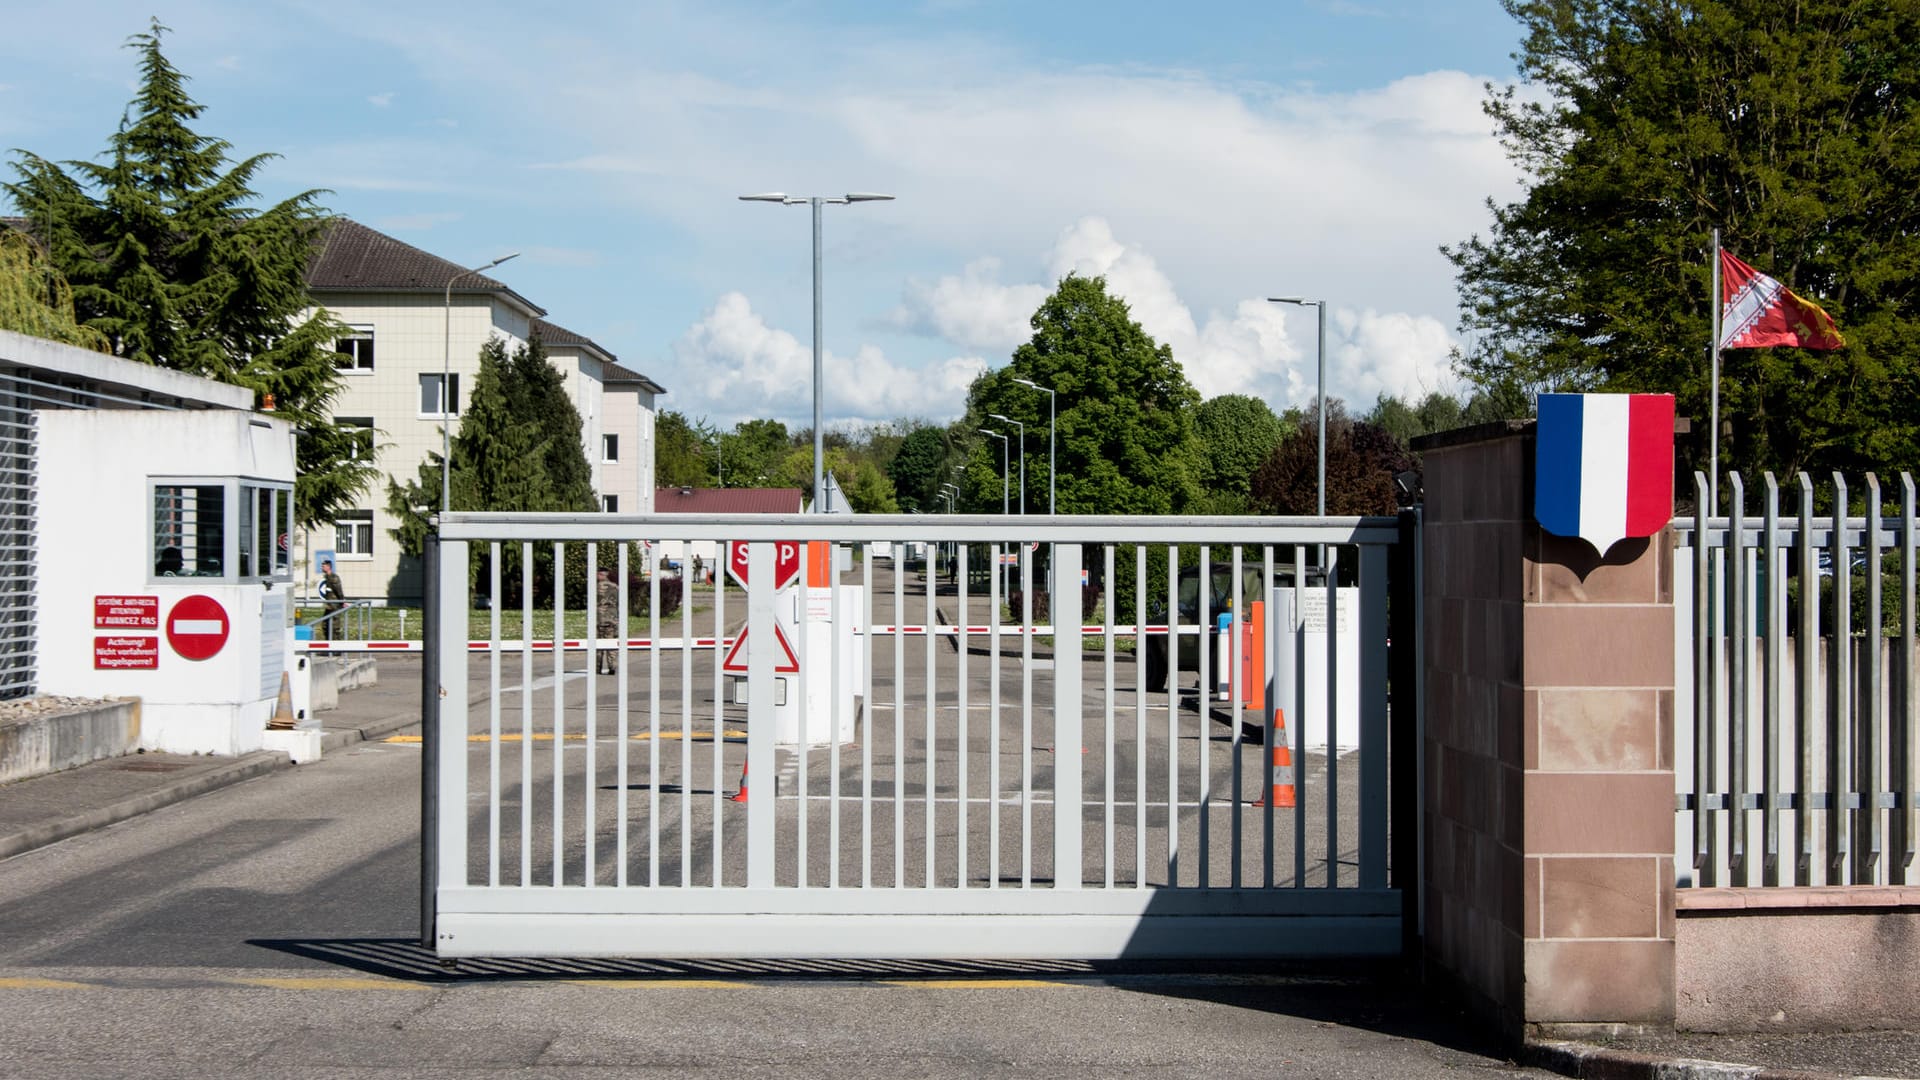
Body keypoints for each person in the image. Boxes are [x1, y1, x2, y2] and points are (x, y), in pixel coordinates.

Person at [595, 566, 620, 675]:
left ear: (601, 575)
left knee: (597, 644)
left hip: (599, 618)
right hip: (612, 618)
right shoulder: (615, 587)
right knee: (611, 643)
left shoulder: (596, 587)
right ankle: (612, 666)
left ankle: (597, 667)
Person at [317, 559, 346, 641]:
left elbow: (339, 591)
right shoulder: (327, 578)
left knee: (334, 627)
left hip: (334, 606)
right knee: (325, 625)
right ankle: (328, 647)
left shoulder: (334, 578)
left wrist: (342, 601)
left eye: (324, 566)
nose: (322, 568)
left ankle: (336, 649)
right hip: (329, 606)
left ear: (328, 567)